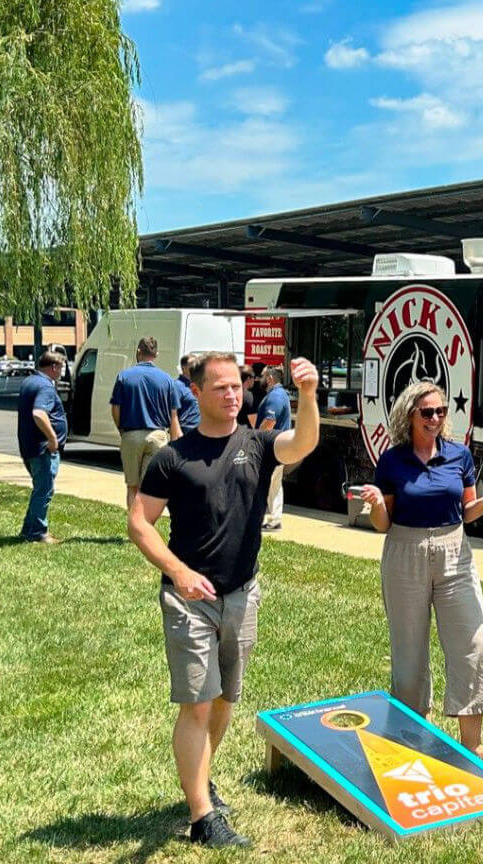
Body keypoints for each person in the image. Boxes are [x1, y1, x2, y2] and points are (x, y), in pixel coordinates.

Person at [127, 352, 320, 848]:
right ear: (196, 392)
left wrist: (308, 394)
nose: (233, 396)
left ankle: (201, 779)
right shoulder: (174, 457)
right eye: (221, 388)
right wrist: (178, 571)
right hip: (189, 600)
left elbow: (303, 442)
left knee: (223, 701)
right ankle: (202, 818)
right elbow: (138, 523)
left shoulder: (255, 444)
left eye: (238, 387)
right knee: (196, 704)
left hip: (242, 594)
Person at [358, 381, 483, 769]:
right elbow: (383, 523)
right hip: (404, 550)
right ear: (410, 415)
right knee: (409, 650)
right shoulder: (392, 462)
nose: (436, 418)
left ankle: (472, 745)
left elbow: (468, 509)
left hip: (454, 551)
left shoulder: (459, 456)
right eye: (428, 412)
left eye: (441, 411)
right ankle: (413, 738)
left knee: (471, 642)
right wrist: (376, 504)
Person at [110, 337, 182, 510]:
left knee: (132, 486)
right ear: (156, 354)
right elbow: (174, 415)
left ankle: (134, 527)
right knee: (149, 487)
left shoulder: (124, 376)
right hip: (158, 436)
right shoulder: (167, 380)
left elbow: (115, 408)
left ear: (138, 352)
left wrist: (121, 429)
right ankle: (146, 525)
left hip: (131, 434)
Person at [17, 351, 68, 544]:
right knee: (44, 489)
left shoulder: (30, 382)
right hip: (43, 448)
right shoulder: (45, 386)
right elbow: (39, 413)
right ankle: (38, 532)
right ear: (54, 367)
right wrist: (52, 437)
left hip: (29, 446)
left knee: (40, 488)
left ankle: (28, 529)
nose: (62, 372)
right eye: (61, 368)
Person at [255, 366, 291, 531]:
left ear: (270, 378)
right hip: (277, 447)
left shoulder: (275, 397)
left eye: (261, 376)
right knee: (274, 484)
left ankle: (270, 519)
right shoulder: (279, 394)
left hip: (271, 448)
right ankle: (274, 519)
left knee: (266, 483)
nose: (258, 378)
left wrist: (254, 440)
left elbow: (269, 421)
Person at [175, 353, 201, 433]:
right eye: (192, 365)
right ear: (183, 368)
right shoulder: (177, 386)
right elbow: (172, 412)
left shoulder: (198, 385)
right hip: (185, 430)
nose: (195, 367)